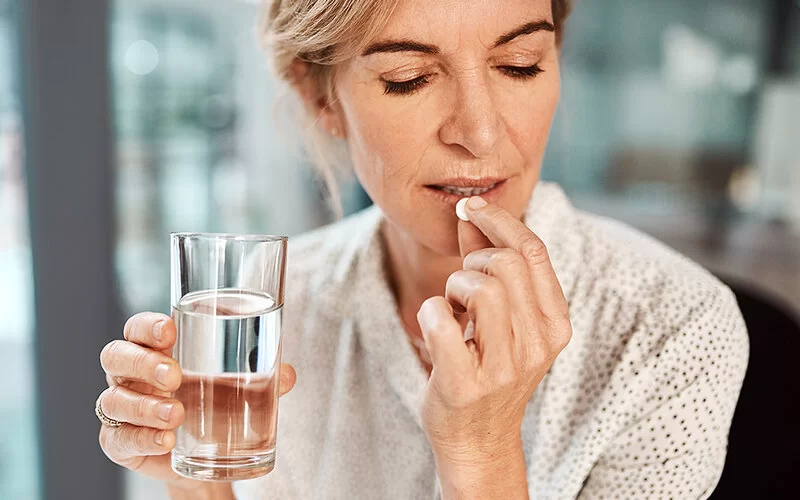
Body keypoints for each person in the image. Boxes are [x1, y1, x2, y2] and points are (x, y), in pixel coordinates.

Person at [96, 0, 750, 498]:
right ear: (319, 96)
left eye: (518, 64)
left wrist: (485, 454)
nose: (482, 130)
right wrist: (199, 490)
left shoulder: (672, 327)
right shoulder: (263, 319)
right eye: (409, 77)